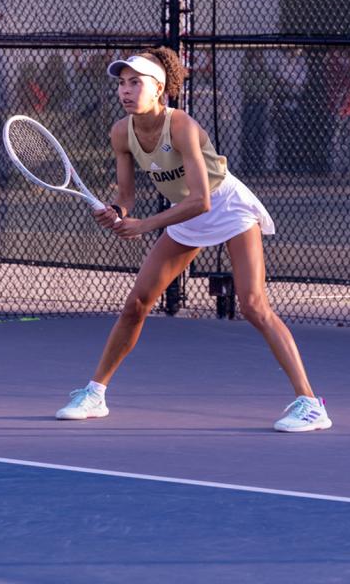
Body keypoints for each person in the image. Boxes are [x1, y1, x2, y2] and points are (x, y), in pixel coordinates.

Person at [54, 47, 331, 433]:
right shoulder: (121, 132)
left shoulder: (181, 125)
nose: (126, 91)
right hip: (184, 212)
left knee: (252, 305)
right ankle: (94, 393)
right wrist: (118, 213)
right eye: (122, 84)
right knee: (137, 303)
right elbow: (127, 196)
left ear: (160, 89)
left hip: (226, 206)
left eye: (136, 83)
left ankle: (310, 403)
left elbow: (202, 200)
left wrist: (144, 225)